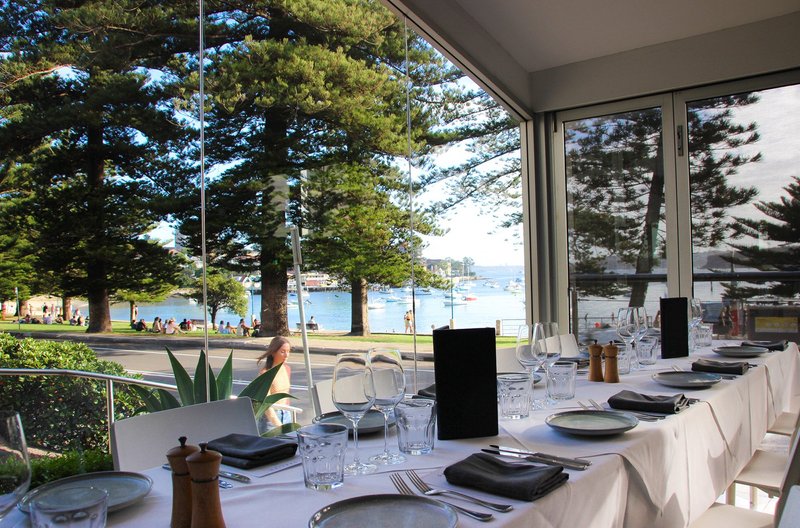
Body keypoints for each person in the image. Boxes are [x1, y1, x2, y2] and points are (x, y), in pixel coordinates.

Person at [256, 337, 293, 427]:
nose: (286, 355)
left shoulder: (287, 369)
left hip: (286, 414)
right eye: (282, 352)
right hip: (270, 419)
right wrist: (278, 424)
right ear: (273, 352)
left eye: (288, 351)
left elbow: (285, 394)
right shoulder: (265, 374)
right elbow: (265, 404)